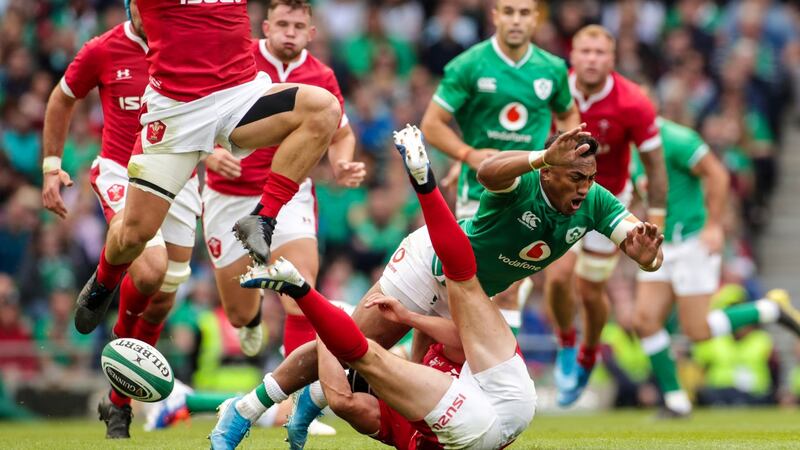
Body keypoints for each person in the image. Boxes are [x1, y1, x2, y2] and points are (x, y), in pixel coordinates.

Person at [210, 123, 667, 448]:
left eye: (588, 179)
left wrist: (648, 257)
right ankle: (246, 409)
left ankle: (312, 395)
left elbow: (637, 241)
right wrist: (542, 155)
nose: (584, 188)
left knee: (412, 379)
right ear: (548, 172)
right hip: (430, 264)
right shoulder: (522, 181)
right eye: (574, 177)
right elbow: (488, 171)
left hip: (468, 298)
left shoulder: (596, 202)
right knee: (354, 342)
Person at [72, 0, 343, 336]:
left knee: (323, 110)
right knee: (133, 236)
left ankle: (263, 217)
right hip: (176, 111)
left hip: (240, 96)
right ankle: (105, 279)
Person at [40, 11, 200, 438]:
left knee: (161, 301)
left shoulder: (187, 43)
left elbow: (216, 102)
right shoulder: (103, 48)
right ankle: (105, 280)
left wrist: (219, 144)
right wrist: (51, 166)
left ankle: (117, 402)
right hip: (121, 169)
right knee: (149, 270)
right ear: (132, 5)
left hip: (180, 175)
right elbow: (62, 97)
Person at [201, 0, 364, 358]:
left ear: (311, 32)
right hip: (228, 195)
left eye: (297, 26)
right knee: (238, 313)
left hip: (289, 196)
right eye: (282, 24)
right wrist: (209, 153)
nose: (290, 32)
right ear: (266, 27)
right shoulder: (238, 61)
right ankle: (253, 317)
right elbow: (198, 114)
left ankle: (297, 404)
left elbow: (341, 135)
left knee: (299, 290)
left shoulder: (321, 76)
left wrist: (341, 163)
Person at [420, 0, 581, 333]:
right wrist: (467, 154)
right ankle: (448, 368)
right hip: (478, 191)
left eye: (524, 13)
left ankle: (499, 375)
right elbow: (432, 124)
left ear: (536, 18)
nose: (516, 20)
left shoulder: (552, 69)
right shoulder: (469, 65)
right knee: (466, 290)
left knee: (509, 289)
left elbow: (567, 115)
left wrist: (562, 152)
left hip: (532, 195)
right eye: (508, 11)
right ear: (495, 16)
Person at [631, 107, 800, 416]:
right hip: (659, 242)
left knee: (697, 331)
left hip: (692, 240)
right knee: (644, 320)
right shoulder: (630, 148)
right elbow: (634, 193)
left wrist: (714, 225)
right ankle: (675, 401)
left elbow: (718, 175)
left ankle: (769, 309)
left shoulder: (677, 138)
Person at [542, 25, 668, 406]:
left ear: (612, 59)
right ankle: (567, 342)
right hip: (561, 199)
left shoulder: (633, 102)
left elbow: (656, 166)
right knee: (559, 278)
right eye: (586, 51)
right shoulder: (551, 91)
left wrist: (656, 218)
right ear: (573, 55)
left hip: (606, 203)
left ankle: (590, 350)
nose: (592, 58)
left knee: (589, 290)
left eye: (600, 52)